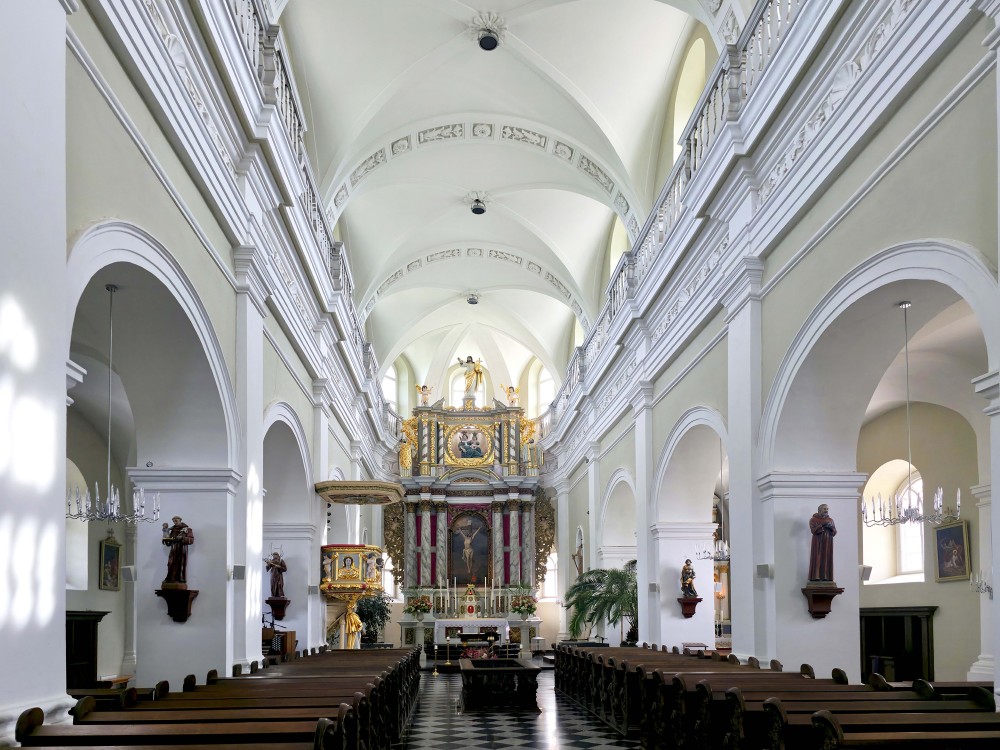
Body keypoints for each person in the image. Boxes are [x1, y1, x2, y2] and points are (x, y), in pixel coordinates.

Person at [808, 503, 837, 582]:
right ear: (819, 510)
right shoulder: (813, 519)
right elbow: (813, 530)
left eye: (827, 509)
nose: (826, 511)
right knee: (817, 557)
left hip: (828, 542)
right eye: (824, 509)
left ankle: (826, 576)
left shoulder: (830, 520)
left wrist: (831, 528)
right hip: (818, 542)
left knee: (827, 558)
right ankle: (816, 577)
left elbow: (834, 532)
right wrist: (822, 525)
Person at [162, 516, 194, 585]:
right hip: (173, 549)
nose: (175, 522)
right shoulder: (173, 530)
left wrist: (182, 538)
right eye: (173, 521)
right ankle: (170, 578)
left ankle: (179, 579)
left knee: (180, 564)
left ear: (180, 520)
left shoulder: (187, 529)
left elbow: (191, 540)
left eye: (176, 521)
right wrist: (166, 538)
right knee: (170, 563)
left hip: (181, 549)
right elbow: (169, 542)